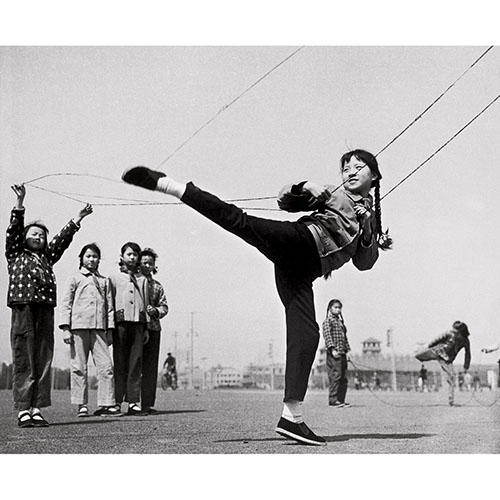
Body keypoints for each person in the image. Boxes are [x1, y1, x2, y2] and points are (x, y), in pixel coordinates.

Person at [122, 148, 392, 446]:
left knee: (307, 335)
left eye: (358, 167)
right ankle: (170, 185)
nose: (350, 172)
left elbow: (364, 263)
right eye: (346, 168)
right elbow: (285, 201)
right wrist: (306, 186)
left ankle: (292, 417)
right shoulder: (334, 193)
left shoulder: (370, 216)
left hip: (303, 271)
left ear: (374, 176)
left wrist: (369, 231)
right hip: (299, 242)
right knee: (239, 221)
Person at [6, 184, 93, 428]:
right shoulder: (15, 253)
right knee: (24, 357)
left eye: (42, 235)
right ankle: (24, 409)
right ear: (24, 238)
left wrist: (78, 218)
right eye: (33, 234)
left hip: (45, 308)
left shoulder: (47, 257)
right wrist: (20, 203)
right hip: (23, 307)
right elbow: (13, 231)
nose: (38, 237)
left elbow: (61, 241)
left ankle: (37, 408)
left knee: (43, 358)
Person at [58, 243, 120, 417]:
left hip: (100, 330)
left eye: (95, 256)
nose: (92, 259)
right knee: (79, 367)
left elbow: (109, 308)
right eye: (88, 256)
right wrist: (65, 328)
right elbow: (66, 304)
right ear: (81, 258)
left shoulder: (104, 281)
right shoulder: (74, 279)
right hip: (78, 328)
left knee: (106, 367)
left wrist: (110, 330)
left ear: (99, 259)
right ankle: (81, 404)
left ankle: (107, 404)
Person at [109, 242, 150, 416]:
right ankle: (116, 401)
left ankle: (133, 402)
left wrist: (146, 327)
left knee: (135, 363)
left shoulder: (143, 279)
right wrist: (110, 326)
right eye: (129, 254)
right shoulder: (113, 278)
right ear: (122, 257)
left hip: (138, 324)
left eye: (135, 254)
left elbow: (146, 304)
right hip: (120, 324)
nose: (132, 257)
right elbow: (109, 303)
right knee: (119, 363)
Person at [139, 247, 169, 414]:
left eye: (150, 263)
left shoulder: (157, 286)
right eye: (144, 262)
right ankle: (132, 403)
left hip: (153, 329)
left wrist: (156, 311)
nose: (147, 266)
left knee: (150, 369)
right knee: (133, 367)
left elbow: (164, 306)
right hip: (136, 329)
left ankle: (147, 404)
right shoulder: (132, 282)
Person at [415, 321, 471, 406]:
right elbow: (438, 339)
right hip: (437, 351)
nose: (453, 332)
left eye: (456, 331)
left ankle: (451, 400)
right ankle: (419, 354)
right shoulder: (449, 333)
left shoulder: (465, 341)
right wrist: (428, 345)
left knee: (451, 377)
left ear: (461, 332)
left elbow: (467, 354)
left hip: (447, 360)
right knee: (417, 355)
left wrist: (466, 366)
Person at [322, 299, 351, 408]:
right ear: (330, 308)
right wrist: (332, 349)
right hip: (334, 353)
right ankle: (333, 400)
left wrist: (348, 351)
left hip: (342, 352)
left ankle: (341, 400)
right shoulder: (328, 321)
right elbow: (327, 336)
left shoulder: (340, 322)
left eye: (339, 308)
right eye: (336, 307)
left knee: (343, 377)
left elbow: (345, 338)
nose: (338, 310)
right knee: (335, 376)